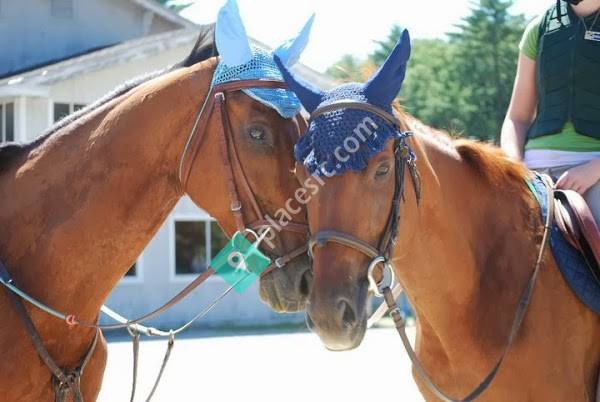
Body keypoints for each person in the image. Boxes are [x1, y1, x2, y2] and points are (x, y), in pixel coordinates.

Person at [501, 0, 600, 226]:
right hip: (532, 173)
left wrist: (593, 170)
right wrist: (514, 168)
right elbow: (516, 118)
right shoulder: (538, 28)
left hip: (593, 169)